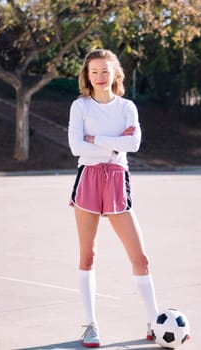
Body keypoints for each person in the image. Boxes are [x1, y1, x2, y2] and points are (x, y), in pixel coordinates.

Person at [67, 49, 158, 348]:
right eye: (94, 71)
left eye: (105, 71)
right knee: (87, 256)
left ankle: (154, 322)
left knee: (140, 258)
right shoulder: (80, 106)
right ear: (87, 75)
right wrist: (113, 146)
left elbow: (134, 143)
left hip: (118, 180)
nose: (100, 77)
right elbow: (75, 148)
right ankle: (90, 325)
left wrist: (97, 141)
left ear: (116, 73)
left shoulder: (127, 108)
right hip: (89, 179)